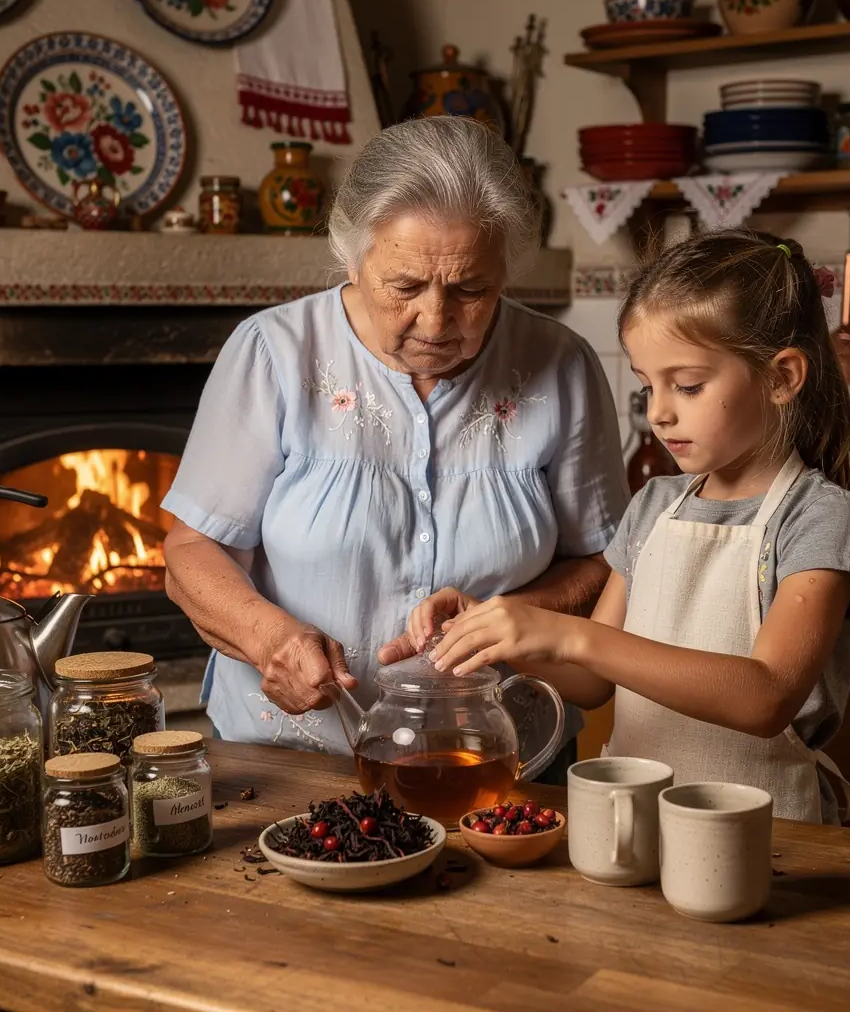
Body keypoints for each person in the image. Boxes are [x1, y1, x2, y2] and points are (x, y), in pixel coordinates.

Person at [160, 115, 630, 780]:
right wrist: (271, 640)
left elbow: (601, 561)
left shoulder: (562, 365)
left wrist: (509, 619)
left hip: (501, 761)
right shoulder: (273, 352)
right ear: (353, 257)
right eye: (405, 286)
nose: (437, 321)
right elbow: (191, 551)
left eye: (472, 290)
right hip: (293, 761)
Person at [413, 229, 850, 823]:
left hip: (765, 837)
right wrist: (501, 630)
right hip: (631, 820)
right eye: (646, 385)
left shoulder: (819, 517)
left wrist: (568, 633)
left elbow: (766, 696)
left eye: (687, 385)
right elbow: (589, 684)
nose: (659, 411)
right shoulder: (654, 505)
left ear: (782, 377)